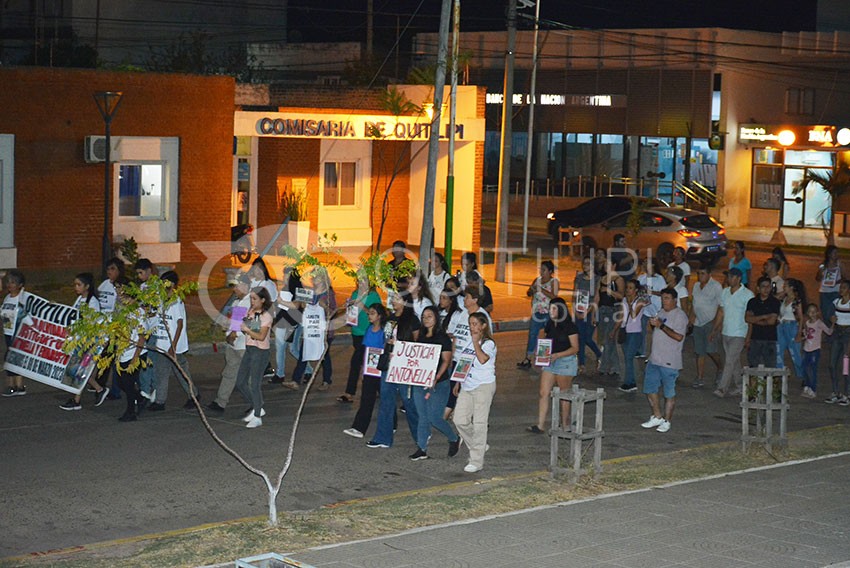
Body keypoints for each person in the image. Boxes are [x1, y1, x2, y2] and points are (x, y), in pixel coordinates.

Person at [367, 293, 420, 449]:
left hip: (404, 365)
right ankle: (383, 437)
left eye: (396, 299)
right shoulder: (390, 318)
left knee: (408, 402)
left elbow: (417, 343)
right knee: (386, 401)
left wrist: (401, 344)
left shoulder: (413, 320)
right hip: (389, 364)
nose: (392, 301)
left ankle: (420, 436)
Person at [409, 306, 460, 460]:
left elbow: (446, 361)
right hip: (421, 381)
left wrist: (436, 377)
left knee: (434, 417)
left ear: (436, 318)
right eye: (424, 316)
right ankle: (422, 448)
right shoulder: (421, 337)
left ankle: (453, 438)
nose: (426, 319)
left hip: (440, 383)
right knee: (422, 416)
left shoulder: (442, 338)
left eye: (429, 316)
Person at [147, 271, 199, 411]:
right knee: (161, 372)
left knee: (181, 371)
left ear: (173, 285)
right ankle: (160, 401)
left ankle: (192, 395)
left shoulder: (176, 301)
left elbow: (179, 324)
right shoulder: (160, 300)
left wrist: (173, 346)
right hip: (162, 343)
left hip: (173, 345)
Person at [453, 312, 497, 473]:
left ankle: (476, 461)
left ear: (483, 325)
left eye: (475, 324)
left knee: (479, 423)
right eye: (470, 324)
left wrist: (476, 343)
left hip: (483, 386)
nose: (472, 327)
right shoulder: (468, 342)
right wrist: (458, 380)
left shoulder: (488, 343)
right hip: (467, 385)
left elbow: (483, 359)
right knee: (459, 420)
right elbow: (463, 362)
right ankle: (478, 444)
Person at [527, 298, 579, 434]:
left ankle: (565, 424)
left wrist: (558, 355)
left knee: (564, 394)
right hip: (550, 360)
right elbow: (546, 341)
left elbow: (575, 348)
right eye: (550, 308)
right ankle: (540, 425)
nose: (551, 311)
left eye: (554, 308)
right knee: (543, 392)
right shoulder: (549, 324)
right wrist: (539, 355)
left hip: (565, 361)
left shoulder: (570, 326)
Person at [59, 273, 110, 410]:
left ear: (87, 286)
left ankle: (79, 399)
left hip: (87, 342)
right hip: (79, 340)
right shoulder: (80, 300)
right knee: (77, 371)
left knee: (79, 370)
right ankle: (91, 393)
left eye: (79, 284)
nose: (76, 287)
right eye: (75, 284)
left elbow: (92, 323)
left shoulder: (92, 302)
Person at [640, 288, 688, 433]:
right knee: (650, 389)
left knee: (668, 392)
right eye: (663, 298)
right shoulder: (661, 312)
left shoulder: (680, 316)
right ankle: (657, 416)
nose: (664, 301)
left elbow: (679, 336)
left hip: (670, 361)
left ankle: (667, 420)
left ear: (675, 300)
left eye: (667, 298)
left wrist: (661, 325)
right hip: (655, 359)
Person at [284, 268, 336, 391]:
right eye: (313, 277)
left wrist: (324, 307)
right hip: (311, 330)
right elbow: (299, 305)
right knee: (304, 353)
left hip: (324, 331)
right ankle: (296, 380)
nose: (313, 279)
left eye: (316, 276)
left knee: (324, 355)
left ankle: (326, 381)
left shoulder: (328, 294)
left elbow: (332, 312)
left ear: (323, 278)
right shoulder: (310, 292)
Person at [206, 277, 251, 413]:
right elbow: (234, 319)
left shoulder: (250, 302)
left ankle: (256, 404)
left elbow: (250, 323)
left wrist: (234, 333)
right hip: (234, 345)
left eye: (236, 287)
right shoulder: (238, 302)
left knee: (246, 378)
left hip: (243, 345)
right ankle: (220, 402)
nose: (234, 290)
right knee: (229, 374)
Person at [344, 304, 389, 439]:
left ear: (379, 316)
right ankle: (359, 427)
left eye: (372, 313)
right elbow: (366, 349)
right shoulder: (369, 329)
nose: (369, 316)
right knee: (366, 399)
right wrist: (364, 367)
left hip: (381, 370)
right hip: (370, 369)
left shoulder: (384, 332)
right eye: (369, 313)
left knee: (386, 399)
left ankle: (392, 424)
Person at [711, 268, 754, 398]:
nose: (728, 279)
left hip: (739, 333)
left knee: (729, 361)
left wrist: (748, 336)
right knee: (734, 362)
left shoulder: (748, 295)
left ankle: (722, 388)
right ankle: (741, 386)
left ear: (738, 278)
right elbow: (721, 312)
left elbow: (750, 317)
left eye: (730, 276)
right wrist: (715, 329)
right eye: (728, 276)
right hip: (726, 331)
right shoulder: (725, 292)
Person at [338, 275, 381, 403]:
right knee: (364, 360)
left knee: (357, 361)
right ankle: (377, 388)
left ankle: (350, 392)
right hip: (356, 331)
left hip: (368, 332)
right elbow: (352, 311)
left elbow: (376, 313)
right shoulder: (355, 293)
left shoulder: (374, 296)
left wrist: (362, 306)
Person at [235, 287, 273, 428]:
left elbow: (261, 336)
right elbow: (253, 331)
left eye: (255, 298)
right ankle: (257, 406)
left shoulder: (266, 316)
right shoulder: (251, 312)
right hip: (250, 349)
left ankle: (257, 416)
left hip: (260, 352)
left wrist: (246, 329)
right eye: (251, 298)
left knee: (255, 384)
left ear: (263, 300)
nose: (252, 301)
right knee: (240, 382)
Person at [518, 260, 559, 369]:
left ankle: (545, 358)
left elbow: (554, 296)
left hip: (548, 312)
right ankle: (528, 358)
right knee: (532, 334)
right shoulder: (537, 280)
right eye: (540, 269)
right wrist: (531, 290)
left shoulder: (553, 282)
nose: (541, 272)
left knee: (548, 336)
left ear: (550, 271)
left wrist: (541, 289)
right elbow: (529, 293)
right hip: (537, 312)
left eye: (544, 270)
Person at [98, 257, 129, 398]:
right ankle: (100, 384)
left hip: (116, 327)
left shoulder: (122, 286)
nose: (109, 271)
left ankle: (116, 390)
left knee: (117, 358)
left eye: (113, 269)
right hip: (104, 326)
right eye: (108, 269)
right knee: (105, 357)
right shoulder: (104, 285)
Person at [268, 267, 303, 386]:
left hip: (293, 323)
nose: (284, 277)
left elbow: (296, 305)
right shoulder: (284, 288)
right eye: (284, 275)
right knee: (280, 348)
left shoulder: (298, 289)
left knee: (293, 349)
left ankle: (307, 370)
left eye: (287, 275)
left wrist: (281, 301)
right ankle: (280, 374)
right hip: (282, 322)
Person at [690, 264, 723, 388]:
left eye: (703, 273)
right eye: (699, 273)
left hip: (710, 322)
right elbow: (694, 304)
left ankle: (720, 368)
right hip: (698, 322)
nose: (700, 276)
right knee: (700, 351)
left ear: (709, 274)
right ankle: (700, 377)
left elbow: (721, 307)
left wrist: (716, 326)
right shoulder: (696, 286)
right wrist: (690, 320)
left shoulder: (716, 287)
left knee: (711, 350)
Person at [613, 279, 646, 393]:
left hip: (635, 333)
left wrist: (630, 303)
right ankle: (630, 382)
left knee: (628, 357)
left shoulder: (640, 301)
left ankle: (629, 383)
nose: (627, 290)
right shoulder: (624, 300)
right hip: (625, 331)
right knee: (627, 358)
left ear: (636, 290)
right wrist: (614, 330)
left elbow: (633, 315)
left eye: (630, 288)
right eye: (627, 288)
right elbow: (622, 316)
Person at [0, 270, 28, 397]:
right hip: (8, 332)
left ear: (20, 285)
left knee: (15, 358)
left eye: (13, 282)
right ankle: (14, 385)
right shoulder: (7, 298)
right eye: (8, 282)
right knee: (10, 357)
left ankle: (17, 385)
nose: (10, 285)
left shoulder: (23, 298)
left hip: (18, 332)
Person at [573, 256, 601, 374]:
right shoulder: (579, 278)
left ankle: (599, 354)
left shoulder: (597, 279)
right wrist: (575, 310)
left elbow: (596, 298)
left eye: (588, 263)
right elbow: (574, 295)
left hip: (591, 311)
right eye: (584, 263)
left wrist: (588, 312)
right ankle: (582, 364)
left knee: (587, 338)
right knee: (581, 338)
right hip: (579, 310)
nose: (585, 265)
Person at [745, 276, 781, 368]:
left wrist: (755, 319)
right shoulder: (752, 302)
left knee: (770, 367)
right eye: (763, 286)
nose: (766, 289)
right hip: (755, 338)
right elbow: (748, 319)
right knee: (753, 366)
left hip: (770, 339)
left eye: (768, 286)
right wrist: (765, 316)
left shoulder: (775, 302)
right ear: (758, 288)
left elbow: (771, 322)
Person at [597, 259, 625, 375]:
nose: (606, 266)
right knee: (607, 340)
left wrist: (609, 291)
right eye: (604, 264)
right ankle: (615, 367)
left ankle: (603, 367)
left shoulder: (618, 279)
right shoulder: (602, 279)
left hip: (613, 310)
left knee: (609, 339)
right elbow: (597, 297)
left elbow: (621, 296)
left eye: (608, 264)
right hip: (602, 310)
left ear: (614, 265)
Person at [826, 279, 850, 405]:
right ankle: (836, 391)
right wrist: (831, 318)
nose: (841, 290)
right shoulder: (836, 302)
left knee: (846, 366)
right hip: (837, 333)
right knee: (832, 364)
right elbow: (829, 315)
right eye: (841, 287)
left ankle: (847, 393)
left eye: (844, 288)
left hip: (848, 335)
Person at [800, 303, 832, 399]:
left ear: (817, 312)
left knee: (813, 369)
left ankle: (813, 389)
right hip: (807, 348)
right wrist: (803, 335)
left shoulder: (819, 323)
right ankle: (807, 385)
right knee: (804, 367)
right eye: (810, 312)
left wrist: (833, 324)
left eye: (814, 312)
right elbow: (806, 335)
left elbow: (829, 332)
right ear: (807, 313)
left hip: (815, 349)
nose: (812, 314)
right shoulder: (807, 323)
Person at [637, 256, 665, 358]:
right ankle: (641, 351)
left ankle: (657, 353)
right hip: (644, 309)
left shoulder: (659, 278)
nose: (644, 264)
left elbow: (663, 293)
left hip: (655, 309)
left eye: (646, 262)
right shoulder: (641, 277)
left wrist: (651, 292)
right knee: (641, 331)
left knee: (657, 333)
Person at [776, 278, 805, 378]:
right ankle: (780, 374)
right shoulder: (783, 299)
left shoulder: (796, 301)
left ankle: (802, 375)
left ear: (791, 287)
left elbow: (800, 318)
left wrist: (799, 333)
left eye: (786, 285)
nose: (784, 287)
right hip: (781, 326)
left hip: (792, 326)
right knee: (778, 351)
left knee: (795, 353)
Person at [817, 245, 844, 328]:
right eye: (834, 253)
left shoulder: (839, 264)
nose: (836, 255)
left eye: (837, 253)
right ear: (829, 254)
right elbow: (817, 278)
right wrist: (821, 274)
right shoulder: (823, 265)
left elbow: (844, 277)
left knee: (833, 312)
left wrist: (836, 282)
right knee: (825, 313)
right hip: (824, 292)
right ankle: (828, 329)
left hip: (835, 291)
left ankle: (833, 330)